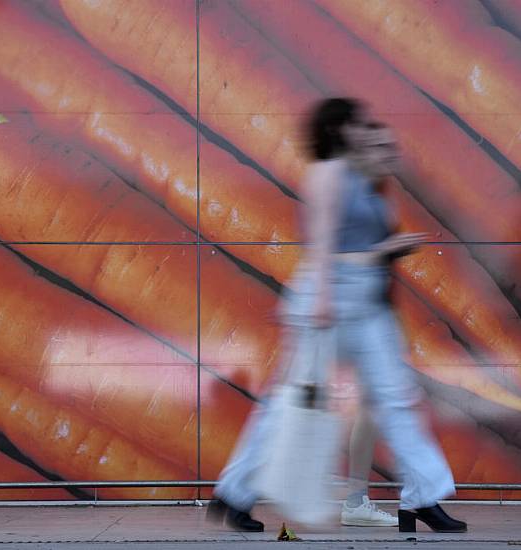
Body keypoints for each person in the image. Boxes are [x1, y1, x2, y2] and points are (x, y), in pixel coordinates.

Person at [208, 99, 467, 534]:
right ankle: (235, 493)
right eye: (357, 124)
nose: (365, 130)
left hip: (367, 306)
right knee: (289, 402)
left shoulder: (363, 177)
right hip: (329, 298)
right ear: (338, 129)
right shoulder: (328, 173)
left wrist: (385, 248)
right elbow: (323, 243)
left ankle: (423, 497)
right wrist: (330, 293)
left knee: (396, 397)